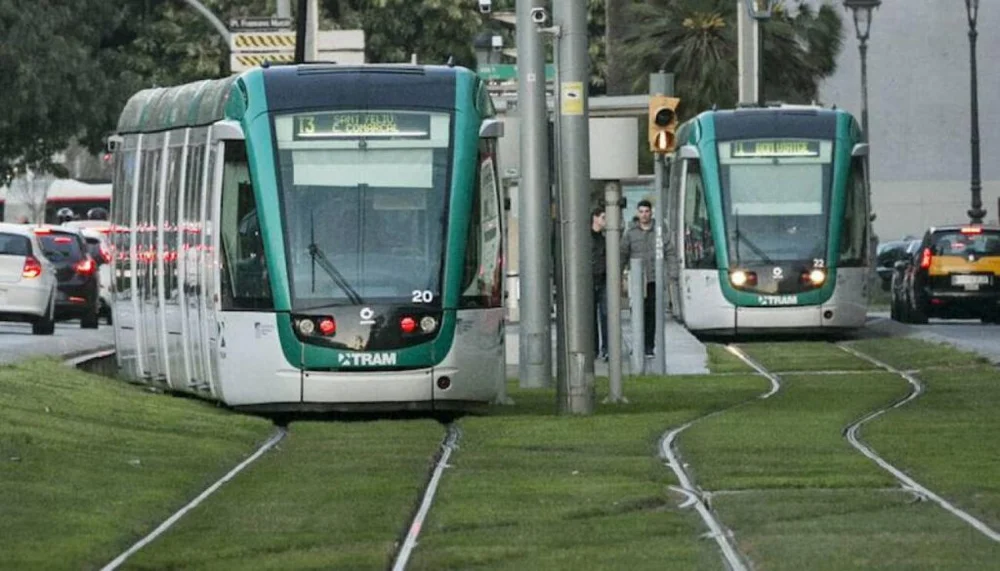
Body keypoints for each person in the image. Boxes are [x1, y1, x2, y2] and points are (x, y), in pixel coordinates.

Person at [621, 199, 657, 357]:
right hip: (636, 280)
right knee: (636, 313)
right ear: (637, 213)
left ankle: (649, 346)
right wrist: (619, 275)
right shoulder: (630, 233)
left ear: (651, 212)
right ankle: (638, 344)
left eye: (646, 211)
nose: (644, 215)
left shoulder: (659, 231)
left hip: (653, 279)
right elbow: (622, 254)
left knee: (651, 313)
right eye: (641, 212)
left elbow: (668, 251)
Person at [590, 206, 608, 361]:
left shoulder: (604, 238)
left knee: (606, 314)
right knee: (590, 317)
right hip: (589, 280)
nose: (606, 221)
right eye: (603, 217)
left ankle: (606, 348)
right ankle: (593, 349)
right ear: (595, 218)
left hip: (603, 281)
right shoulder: (587, 238)